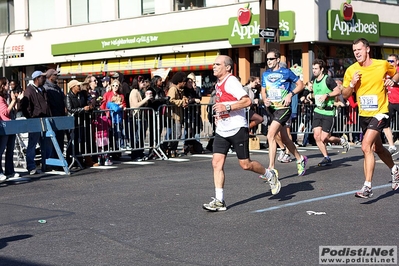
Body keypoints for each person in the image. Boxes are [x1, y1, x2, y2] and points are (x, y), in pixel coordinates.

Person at [202, 55, 278, 212]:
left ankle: (269, 174)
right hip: (222, 129)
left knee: (245, 164)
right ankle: (219, 200)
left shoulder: (231, 82)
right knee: (216, 163)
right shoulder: (219, 83)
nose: (214, 67)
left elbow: (247, 101)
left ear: (227, 67)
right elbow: (223, 103)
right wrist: (219, 115)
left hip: (237, 128)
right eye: (214, 64)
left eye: (218, 64)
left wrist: (227, 108)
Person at [342, 38, 399, 198]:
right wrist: (352, 84)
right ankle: (395, 170)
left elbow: (396, 73)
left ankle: (367, 186)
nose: (357, 53)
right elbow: (345, 94)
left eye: (359, 50)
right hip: (364, 115)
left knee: (365, 146)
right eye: (354, 51)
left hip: (381, 112)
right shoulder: (351, 70)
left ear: (367, 49)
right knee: (377, 149)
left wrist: (392, 80)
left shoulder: (381, 64)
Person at [260, 49, 307, 178]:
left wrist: (290, 95)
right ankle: (299, 158)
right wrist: (265, 99)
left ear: (277, 60)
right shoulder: (265, 75)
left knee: (270, 135)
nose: (269, 61)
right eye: (267, 59)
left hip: (284, 108)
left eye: (271, 59)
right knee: (285, 139)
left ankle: (271, 169)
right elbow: (263, 90)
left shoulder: (286, 72)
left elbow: (300, 84)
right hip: (272, 109)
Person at [310, 59, 350, 167]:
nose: (314, 71)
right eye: (313, 68)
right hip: (318, 111)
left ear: (321, 69)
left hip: (328, 112)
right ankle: (326, 157)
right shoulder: (313, 80)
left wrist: (327, 95)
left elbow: (338, 91)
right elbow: (316, 94)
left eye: (316, 68)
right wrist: (311, 96)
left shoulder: (328, 79)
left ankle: (341, 140)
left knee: (325, 138)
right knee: (316, 136)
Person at [20, 70, 52, 175]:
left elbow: (47, 105)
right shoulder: (29, 90)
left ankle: (45, 164)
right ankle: (31, 166)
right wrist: (31, 117)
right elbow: (24, 106)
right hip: (35, 120)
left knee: (46, 143)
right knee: (32, 144)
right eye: (42, 77)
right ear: (37, 78)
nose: (44, 79)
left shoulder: (43, 90)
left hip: (45, 119)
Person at [65, 79, 92, 167]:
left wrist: (88, 108)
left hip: (81, 121)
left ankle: (79, 159)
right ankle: (69, 160)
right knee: (72, 141)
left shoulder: (81, 95)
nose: (79, 87)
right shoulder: (68, 96)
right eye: (77, 86)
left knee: (80, 141)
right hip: (72, 121)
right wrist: (82, 109)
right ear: (73, 87)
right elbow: (70, 109)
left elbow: (83, 104)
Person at [43, 69, 66, 161]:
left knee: (60, 139)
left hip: (60, 116)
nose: (57, 77)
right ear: (50, 76)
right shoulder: (46, 88)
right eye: (56, 75)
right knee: (51, 140)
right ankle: (51, 159)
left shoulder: (57, 87)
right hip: (52, 116)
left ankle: (59, 158)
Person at [0, 77, 19, 181]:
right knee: (1, 150)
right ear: (2, 86)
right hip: (4, 126)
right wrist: (13, 101)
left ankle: (10, 171)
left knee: (10, 149)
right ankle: (0, 172)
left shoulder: (5, 96)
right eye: (7, 84)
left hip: (10, 125)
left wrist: (15, 101)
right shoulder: (0, 98)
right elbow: (5, 113)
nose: (9, 86)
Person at [129, 76, 151, 160]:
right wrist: (146, 99)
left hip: (141, 117)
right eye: (142, 82)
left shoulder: (139, 91)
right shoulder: (134, 92)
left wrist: (146, 97)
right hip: (136, 117)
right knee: (137, 137)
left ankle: (140, 153)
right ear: (137, 82)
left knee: (142, 136)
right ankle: (135, 154)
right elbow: (136, 105)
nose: (144, 84)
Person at [383, 54, 399, 156]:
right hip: (389, 101)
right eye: (388, 61)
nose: (389, 63)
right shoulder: (386, 71)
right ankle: (392, 145)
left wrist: (394, 81)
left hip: (398, 100)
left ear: (397, 62)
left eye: (392, 61)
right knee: (385, 123)